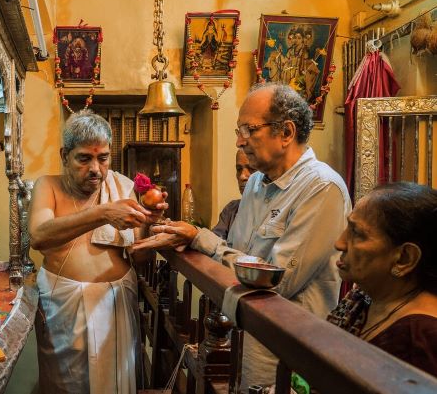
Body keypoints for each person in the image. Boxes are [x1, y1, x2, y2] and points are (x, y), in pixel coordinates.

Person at [133, 83, 352, 391]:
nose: (240, 141)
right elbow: (234, 257)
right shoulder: (256, 184)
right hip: (242, 337)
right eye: (239, 130)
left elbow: (276, 281)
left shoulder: (321, 188)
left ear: (286, 133)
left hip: (286, 355)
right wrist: (189, 239)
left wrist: (201, 239)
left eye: (249, 130)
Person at [29, 110, 165, 394]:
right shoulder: (48, 186)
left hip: (117, 306)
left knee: (118, 383)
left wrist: (151, 226)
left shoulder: (123, 187)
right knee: (65, 385)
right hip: (63, 310)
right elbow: (39, 236)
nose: (96, 169)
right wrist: (103, 213)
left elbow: (139, 257)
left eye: (103, 158)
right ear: (65, 155)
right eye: (84, 158)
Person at [328, 182, 437, 377]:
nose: (339, 243)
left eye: (357, 233)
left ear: (404, 258)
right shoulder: (363, 296)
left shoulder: (422, 337)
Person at [211, 149, 257, 239]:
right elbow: (213, 242)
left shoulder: (276, 210)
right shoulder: (232, 209)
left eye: (251, 169)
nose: (242, 176)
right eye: (239, 169)